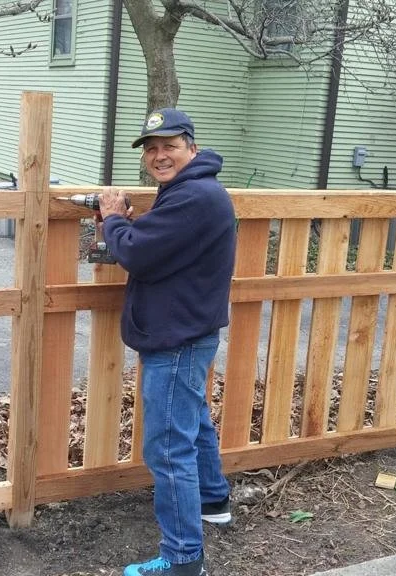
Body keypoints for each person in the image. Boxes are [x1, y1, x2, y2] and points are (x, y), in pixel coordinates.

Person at [98, 108, 237, 576]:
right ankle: (214, 500)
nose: (159, 156)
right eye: (152, 149)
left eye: (169, 146)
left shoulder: (194, 196)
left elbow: (137, 253)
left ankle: (182, 559)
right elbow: (162, 247)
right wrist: (129, 227)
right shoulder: (189, 192)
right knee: (192, 419)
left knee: (166, 448)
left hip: (177, 339)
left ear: (191, 148)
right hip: (188, 332)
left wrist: (113, 220)